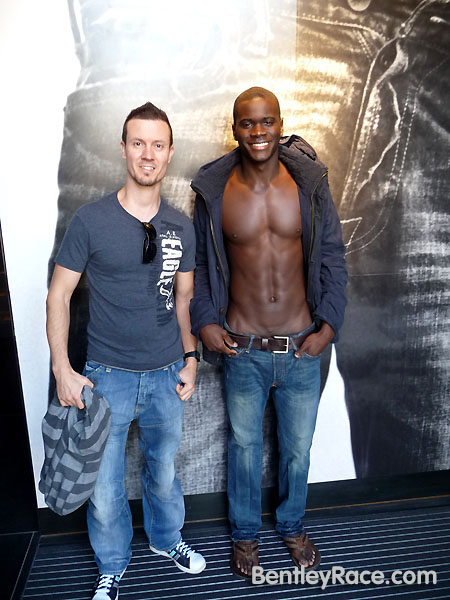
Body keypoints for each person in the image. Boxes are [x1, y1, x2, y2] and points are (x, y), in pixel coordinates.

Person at [46, 102, 206, 600]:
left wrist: (191, 358)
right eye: (138, 143)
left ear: (170, 152)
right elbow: (58, 296)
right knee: (104, 489)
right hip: (106, 377)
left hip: (166, 374)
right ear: (123, 149)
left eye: (158, 145)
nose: (148, 154)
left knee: (164, 473)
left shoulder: (181, 226)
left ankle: (166, 540)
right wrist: (63, 370)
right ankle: (112, 567)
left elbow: (184, 299)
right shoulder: (91, 220)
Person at [190, 87, 347, 578]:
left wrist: (329, 326)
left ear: (280, 124)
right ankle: (244, 535)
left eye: (266, 121)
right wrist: (205, 321)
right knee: (243, 449)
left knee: (297, 451)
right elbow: (200, 264)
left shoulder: (309, 185)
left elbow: (333, 256)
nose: (258, 132)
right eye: (247, 123)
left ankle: (293, 527)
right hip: (244, 348)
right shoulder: (216, 191)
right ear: (234, 128)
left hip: (302, 347)